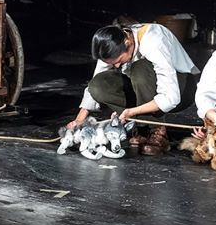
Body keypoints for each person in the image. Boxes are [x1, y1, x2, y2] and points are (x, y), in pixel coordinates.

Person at [67, 22, 200, 156]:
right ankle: (142, 129)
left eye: (119, 60)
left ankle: (157, 130)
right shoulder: (112, 44)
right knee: (97, 85)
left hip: (181, 90)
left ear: (128, 43)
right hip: (141, 89)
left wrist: (132, 111)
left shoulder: (153, 40)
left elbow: (171, 97)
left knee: (139, 69)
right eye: (113, 63)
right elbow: (95, 82)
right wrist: (79, 120)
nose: (117, 66)